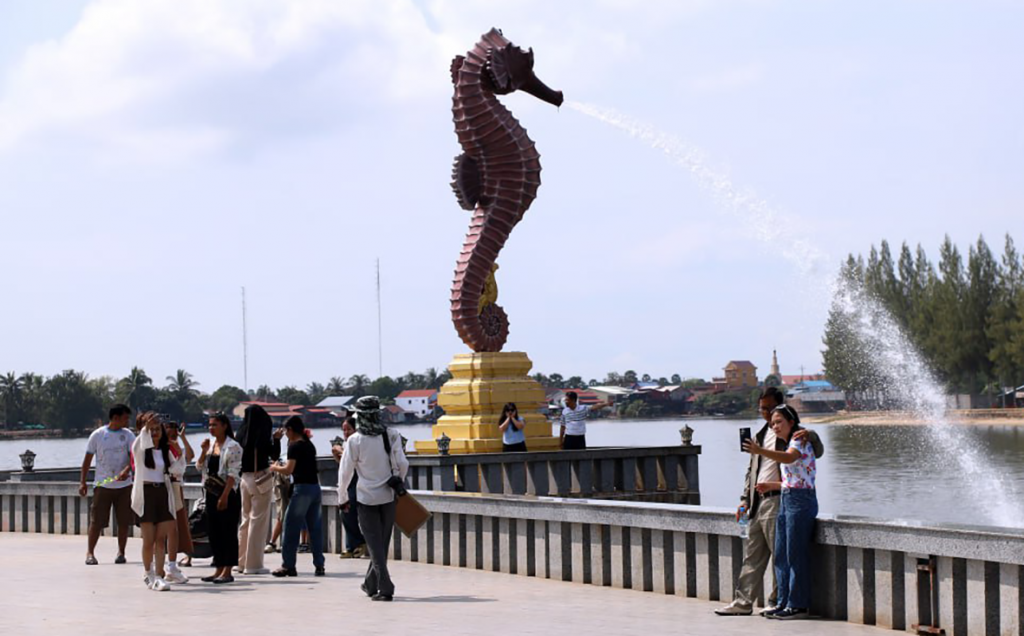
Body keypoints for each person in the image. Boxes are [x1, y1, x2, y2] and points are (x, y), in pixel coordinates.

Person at [716, 387, 824, 617]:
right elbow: (752, 471)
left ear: (780, 408)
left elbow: (813, 452)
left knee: (784, 554)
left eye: (769, 409)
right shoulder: (760, 435)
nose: (766, 415)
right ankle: (743, 602)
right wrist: (745, 500)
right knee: (753, 554)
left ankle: (780, 601)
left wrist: (811, 434)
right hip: (760, 500)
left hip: (781, 500)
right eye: (762, 409)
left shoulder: (795, 435)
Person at [745, 404, 819, 621]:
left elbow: (789, 459)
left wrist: (759, 451)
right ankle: (783, 602)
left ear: (791, 422)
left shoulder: (799, 440)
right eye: (772, 423)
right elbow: (794, 477)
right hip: (787, 498)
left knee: (795, 554)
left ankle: (797, 605)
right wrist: (772, 485)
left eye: (779, 422)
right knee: (781, 554)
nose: (775, 426)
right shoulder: (789, 443)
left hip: (800, 501)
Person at [338, 396, 409, 601]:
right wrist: (398, 482)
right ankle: (370, 584)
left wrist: (342, 497)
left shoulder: (354, 440)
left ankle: (385, 587)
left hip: (365, 499)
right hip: (388, 497)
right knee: (380, 544)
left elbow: (345, 473)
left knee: (375, 546)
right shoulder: (391, 434)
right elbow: (403, 464)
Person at [130, 412, 184, 591]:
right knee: (149, 539)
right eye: (151, 430)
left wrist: (179, 452)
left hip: (162, 493)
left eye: (157, 429)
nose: (154, 433)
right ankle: (148, 573)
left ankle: (159, 575)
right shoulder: (140, 450)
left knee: (161, 539)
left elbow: (178, 468)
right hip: (146, 494)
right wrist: (146, 428)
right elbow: (139, 442)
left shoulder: (164, 451)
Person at [269, 416, 326, 577]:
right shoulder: (309, 445)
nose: (286, 434)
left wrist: (274, 467)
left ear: (291, 430)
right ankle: (319, 565)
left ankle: (288, 565)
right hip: (315, 488)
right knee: (315, 528)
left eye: (286, 431)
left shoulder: (295, 446)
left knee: (290, 527)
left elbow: (289, 470)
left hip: (302, 490)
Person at [79, 404, 135, 566]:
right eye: (125, 417)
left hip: (124, 486)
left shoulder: (128, 435)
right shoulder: (97, 435)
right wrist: (82, 482)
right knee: (96, 521)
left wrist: (126, 470)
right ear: (116, 417)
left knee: (124, 521)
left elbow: (134, 458)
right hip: (103, 485)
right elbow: (87, 460)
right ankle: (90, 552)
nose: (127, 421)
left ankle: (121, 552)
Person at [197, 412, 243, 584]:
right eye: (209, 425)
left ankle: (228, 570)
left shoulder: (233, 447)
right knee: (214, 531)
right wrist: (203, 451)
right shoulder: (211, 446)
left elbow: (233, 475)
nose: (211, 428)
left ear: (224, 426)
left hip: (227, 493)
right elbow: (200, 466)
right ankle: (218, 568)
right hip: (210, 492)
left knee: (228, 532)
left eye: (215, 425)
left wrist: (224, 497)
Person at [236, 404, 281, 575]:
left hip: (244, 479)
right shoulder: (261, 433)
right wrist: (276, 439)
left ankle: (240, 562)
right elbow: (274, 456)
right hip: (259, 478)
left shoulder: (240, 434)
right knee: (258, 521)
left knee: (245, 521)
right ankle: (253, 564)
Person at [331, 416, 366, 558]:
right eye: (344, 430)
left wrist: (341, 452)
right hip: (348, 482)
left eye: (348, 429)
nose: (345, 432)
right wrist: (337, 455)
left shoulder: (358, 442)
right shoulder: (347, 444)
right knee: (345, 513)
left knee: (348, 512)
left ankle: (358, 542)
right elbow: (344, 466)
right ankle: (352, 546)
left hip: (358, 482)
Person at [163, 420, 193, 581]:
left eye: (175, 431)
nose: (172, 434)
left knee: (176, 527)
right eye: (169, 430)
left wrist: (183, 439)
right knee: (162, 529)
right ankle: (162, 565)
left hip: (175, 487)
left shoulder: (176, 447)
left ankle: (172, 565)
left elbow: (190, 457)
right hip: (165, 487)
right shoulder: (160, 448)